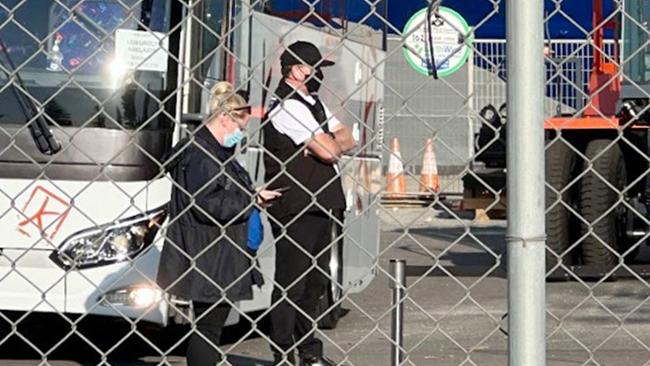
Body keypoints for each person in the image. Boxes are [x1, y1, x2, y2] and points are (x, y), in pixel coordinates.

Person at [157, 81, 281, 366]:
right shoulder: (202, 155)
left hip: (217, 251)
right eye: (239, 127)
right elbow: (205, 204)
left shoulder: (215, 153)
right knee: (208, 328)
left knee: (209, 326)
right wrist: (251, 200)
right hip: (210, 252)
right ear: (225, 118)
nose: (241, 134)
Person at [262, 41, 356, 366]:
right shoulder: (287, 107)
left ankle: (308, 350)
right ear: (297, 69)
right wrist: (326, 143)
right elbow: (330, 151)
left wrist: (325, 142)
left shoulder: (312, 103)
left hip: (322, 203)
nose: (317, 75)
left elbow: (346, 138)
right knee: (292, 281)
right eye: (313, 68)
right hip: (297, 205)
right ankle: (284, 352)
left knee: (315, 282)